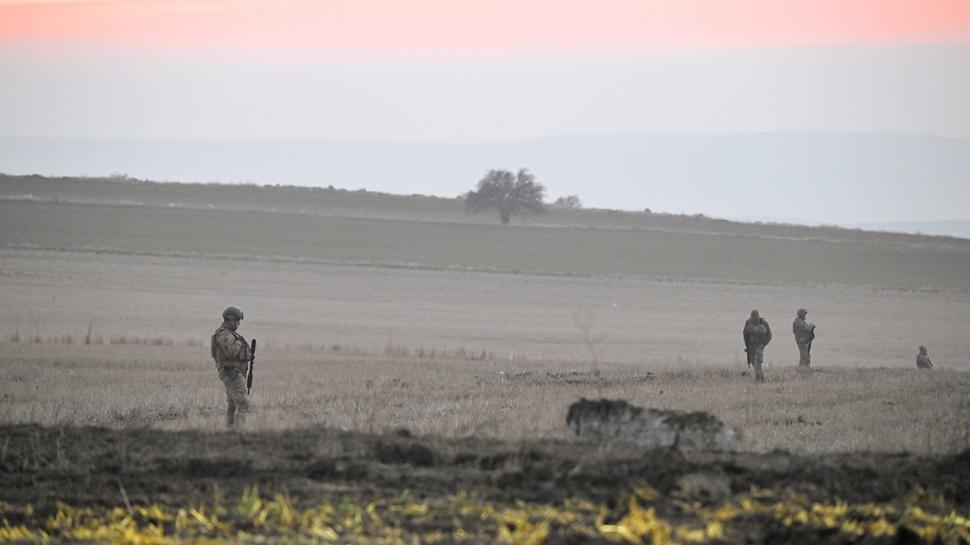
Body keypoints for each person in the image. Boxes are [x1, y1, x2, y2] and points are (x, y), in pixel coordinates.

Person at [211, 305, 251, 427]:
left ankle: (229, 431)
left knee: (233, 404)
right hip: (231, 373)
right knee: (243, 403)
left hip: (233, 372)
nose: (238, 323)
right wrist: (240, 342)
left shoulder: (228, 334)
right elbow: (232, 352)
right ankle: (238, 432)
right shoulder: (224, 335)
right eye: (237, 320)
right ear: (230, 320)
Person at [743, 310, 772, 382]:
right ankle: (761, 378)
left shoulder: (764, 323)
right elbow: (745, 334)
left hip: (759, 345)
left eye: (755, 317)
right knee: (753, 362)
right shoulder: (748, 322)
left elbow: (769, 335)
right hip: (751, 346)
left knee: (757, 361)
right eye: (753, 318)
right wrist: (747, 344)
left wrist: (763, 344)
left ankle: (758, 379)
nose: (754, 319)